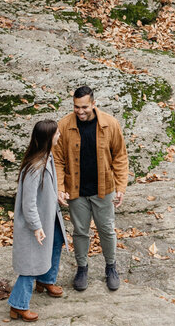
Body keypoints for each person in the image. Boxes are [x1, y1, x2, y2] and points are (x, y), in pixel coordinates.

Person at [54, 85, 130, 292]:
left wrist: (121, 186)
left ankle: (111, 267)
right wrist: (60, 187)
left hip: (104, 189)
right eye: (76, 107)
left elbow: (120, 157)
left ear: (93, 104)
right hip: (76, 190)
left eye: (84, 107)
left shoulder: (110, 124)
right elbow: (58, 160)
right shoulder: (63, 125)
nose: (80, 111)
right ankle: (82, 268)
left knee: (106, 229)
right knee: (80, 231)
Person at [9, 119, 67, 321]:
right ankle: (18, 304)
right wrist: (36, 227)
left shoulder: (48, 157)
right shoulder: (35, 167)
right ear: (48, 138)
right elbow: (29, 202)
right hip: (36, 223)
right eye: (57, 133)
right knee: (31, 262)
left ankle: (45, 280)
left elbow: (47, 188)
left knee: (56, 242)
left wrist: (57, 195)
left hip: (50, 217)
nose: (59, 136)